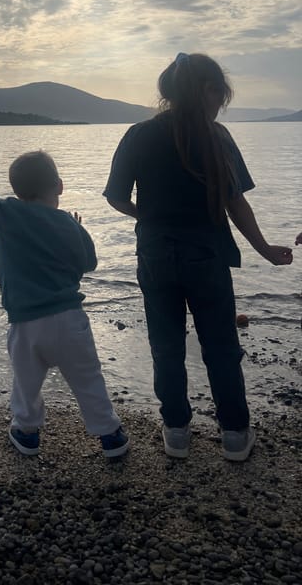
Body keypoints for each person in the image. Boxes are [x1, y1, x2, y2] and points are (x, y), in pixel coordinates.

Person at [104, 53, 293, 462]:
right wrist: (263, 248)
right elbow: (234, 202)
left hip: (155, 256)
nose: (219, 103)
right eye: (219, 94)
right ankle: (235, 437)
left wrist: (149, 216)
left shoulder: (139, 134)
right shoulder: (217, 136)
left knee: (165, 346)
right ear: (207, 90)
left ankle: (176, 433)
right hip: (206, 257)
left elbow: (117, 197)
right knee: (221, 346)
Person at [0, 141, 128, 458]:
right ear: (60, 186)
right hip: (70, 320)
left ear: (17, 190)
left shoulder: (9, 213)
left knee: (26, 384)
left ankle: (27, 433)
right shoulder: (68, 224)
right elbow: (88, 263)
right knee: (88, 379)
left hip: (26, 323)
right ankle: (111, 435)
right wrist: (78, 231)